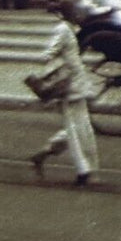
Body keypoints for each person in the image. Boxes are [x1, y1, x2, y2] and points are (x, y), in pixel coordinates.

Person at [28, 11, 100, 187]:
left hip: (77, 84)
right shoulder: (62, 30)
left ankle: (44, 153)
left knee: (81, 128)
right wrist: (59, 67)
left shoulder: (72, 29)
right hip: (67, 86)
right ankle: (83, 170)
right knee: (76, 129)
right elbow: (48, 53)